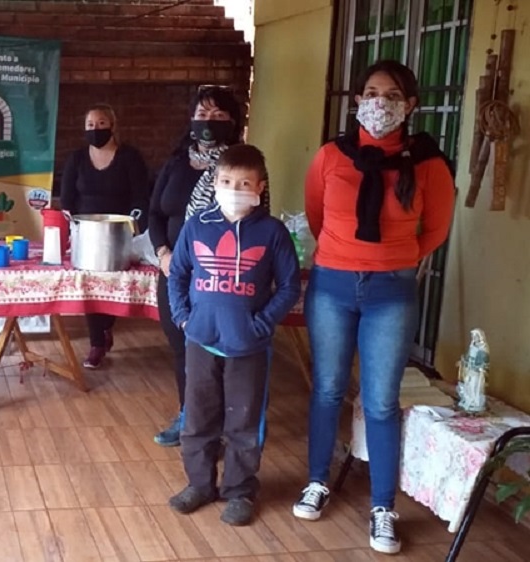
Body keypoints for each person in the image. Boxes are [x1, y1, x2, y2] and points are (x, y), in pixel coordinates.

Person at [293, 60, 455, 555]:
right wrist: (347, 257)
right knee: (327, 388)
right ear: (358, 100)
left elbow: (436, 230)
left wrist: (392, 260)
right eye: (371, 92)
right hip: (332, 286)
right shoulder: (331, 156)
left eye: (392, 95)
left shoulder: (428, 164)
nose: (379, 103)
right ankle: (317, 481)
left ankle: (383, 507)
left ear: (410, 105)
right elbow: (317, 216)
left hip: (391, 292)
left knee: (382, 401)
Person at [167, 145, 300, 527]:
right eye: (226, 181)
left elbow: (289, 286)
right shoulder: (197, 226)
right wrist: (183, 318)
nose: (234, 189)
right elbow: (177, 274)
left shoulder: (272, 232)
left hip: (248, 346)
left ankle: (240, 490)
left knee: (243, 422)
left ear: (260, 187)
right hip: (201, 340)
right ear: (214, 183)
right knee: (198, 418)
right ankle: (199, 484)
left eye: (244, 183)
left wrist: (263, 323)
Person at [149, 86, 253, 447]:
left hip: (216, 276)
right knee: (182, 346)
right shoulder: (177, 162)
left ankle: (218, 426)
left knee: (214, 352)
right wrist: (163, 253)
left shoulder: (240, 167)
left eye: (219, 116)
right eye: (202, 115)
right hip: (172, 273)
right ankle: (190, 416)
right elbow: (154, 213)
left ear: (233, 122)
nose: (209, 122)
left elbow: (252, 223)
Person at [60, 103, 149, 369]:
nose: (95, 129)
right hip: (86, 233)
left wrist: (133, 223)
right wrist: (72, 221)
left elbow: (141, 195)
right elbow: (67, 198)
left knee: (112, 284)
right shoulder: (77, 158)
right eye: (90, 124)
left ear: (112, 126)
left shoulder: (130, 157)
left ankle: (107, 326)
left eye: (101, 124)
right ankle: (97, 343)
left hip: (119, 233)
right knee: (90, 285)